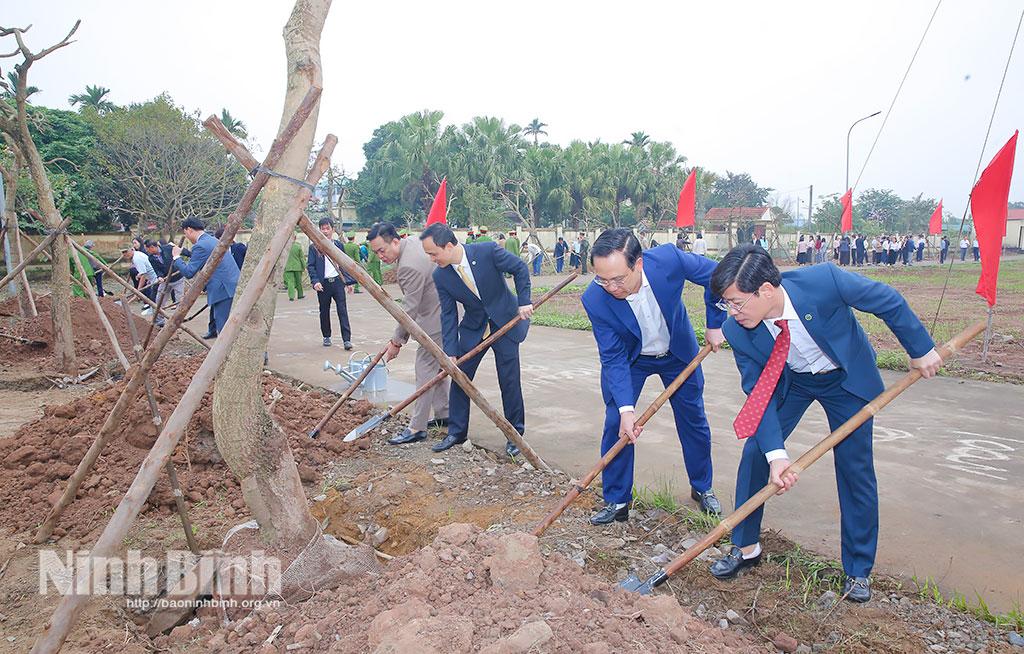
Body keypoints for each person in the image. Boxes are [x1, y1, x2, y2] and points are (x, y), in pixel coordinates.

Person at [707, 244, 941, 602]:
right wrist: (777, 456)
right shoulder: (738, 330)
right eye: (726, 303)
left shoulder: (824, 281)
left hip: (845, 379)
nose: (732, 311)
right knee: (757, 452)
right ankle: (746, 546)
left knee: (854, 467)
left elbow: (887, 300)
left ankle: (858, 570)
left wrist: (920, 349)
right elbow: (759, 395)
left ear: (766, 290)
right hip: (792, 381)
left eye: (737, 302)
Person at [582, 229, 727, 524]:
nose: (610, 287)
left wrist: (715, 324)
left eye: (618, 279)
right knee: (617, 425)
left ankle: (703, 487)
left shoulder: (668, 260)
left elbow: (719, 277)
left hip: (677, 354)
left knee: (693, 420)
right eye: (602, 278)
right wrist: (626, 410)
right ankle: (617, 499)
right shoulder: (595, 298)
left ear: (639, 264)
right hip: (632, 360)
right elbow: (612, 356)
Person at [420, 222, 532, 457]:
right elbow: (448, 314)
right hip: (474, 329)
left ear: (449, 246)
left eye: (433, 253)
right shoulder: (441, 276)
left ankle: (515, 435)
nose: (431, 259)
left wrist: (524, 301)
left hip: (505, 322)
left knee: (509, 381)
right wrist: (450, 351)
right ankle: (457, 432)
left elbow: (520, 268)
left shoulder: (487, 251)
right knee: (460, 377)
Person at [369, 222, 450, 445]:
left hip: (436, 318)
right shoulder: (414, 241)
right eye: (376, 252)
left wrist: (397, 341)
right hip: (444, 312)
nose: (380, 257)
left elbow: (409, 310)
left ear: (395, 241)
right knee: (439, 367)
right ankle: (445, 414)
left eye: (382, 250)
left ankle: (417, 427)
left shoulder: (407, 267)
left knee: (425, 370)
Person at [172, 217, 240, 338]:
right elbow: (204, 257)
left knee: (225, 329)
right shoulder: (212, 240)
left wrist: (176, 257)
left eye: (185, 233)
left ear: (189, 230)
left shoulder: (200, 245)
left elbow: (189, 272)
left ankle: (230, 356)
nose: (186, 236)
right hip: (232, 285)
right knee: (238, 323)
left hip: (223, 290)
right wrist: (184, 252)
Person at [307, 218, 353, 349]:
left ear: (332, 229)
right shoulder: (314, 248)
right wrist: (315, 281)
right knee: (324, 311)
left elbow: (344, 264)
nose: (325, 231)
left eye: (328, 228)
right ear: (319, 230)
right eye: (323, 228)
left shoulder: (338, 245)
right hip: (323, 284)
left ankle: (346, 340)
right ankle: (326, 336)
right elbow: (311, 266)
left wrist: (348, 282)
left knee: (342, 310)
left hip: (337, 283)